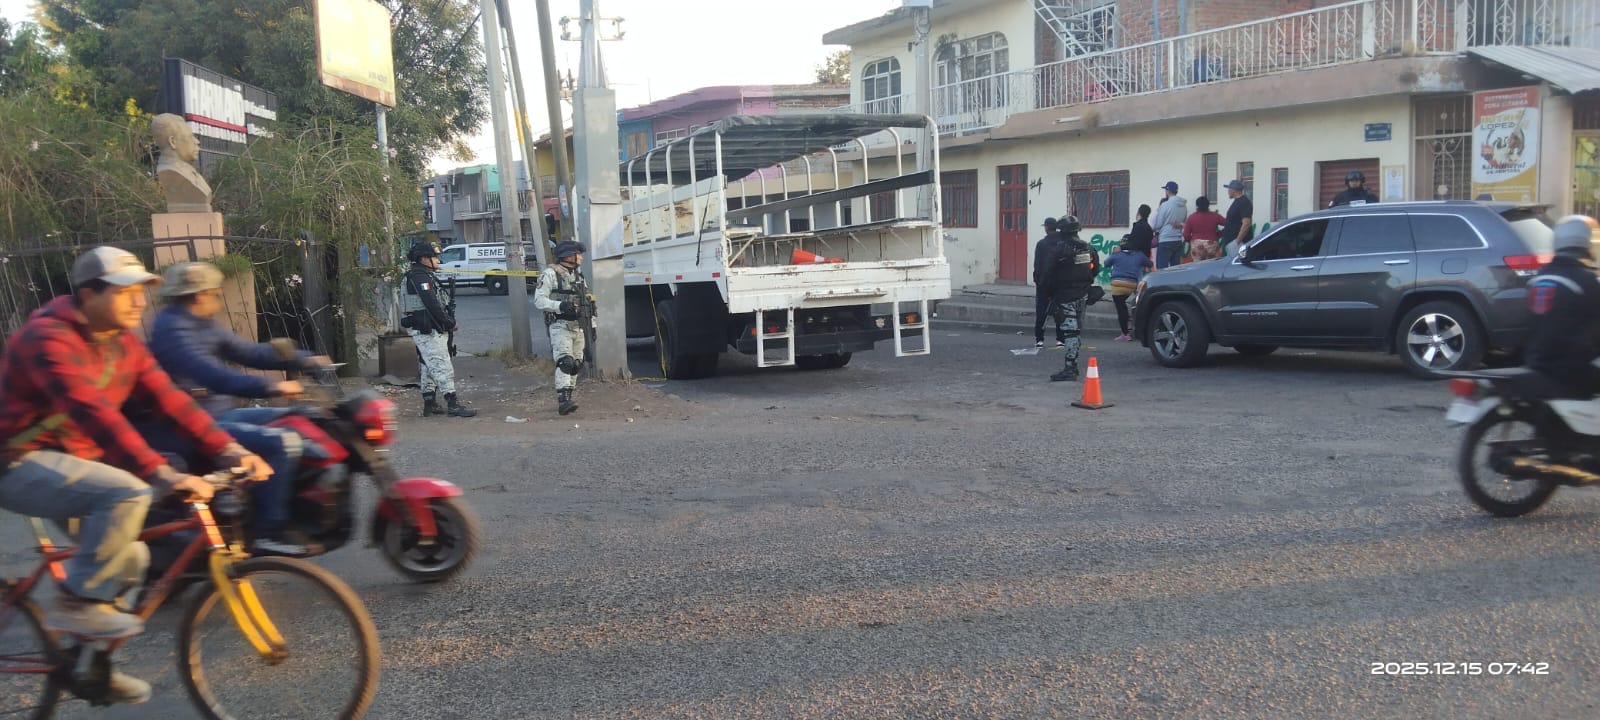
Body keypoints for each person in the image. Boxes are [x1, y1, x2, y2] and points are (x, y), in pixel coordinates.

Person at [0, 247, 268, 704]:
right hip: (17, 461)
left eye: (143, 291)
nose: (139, 301)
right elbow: (94, 413)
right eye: (126, 291)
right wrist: (159, 472)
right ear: (88, 293)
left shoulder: (122, 343)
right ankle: (77, 603)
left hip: (73, 464)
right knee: (125, 493)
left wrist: (230, 448)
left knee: (134, 560)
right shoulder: (47, 339)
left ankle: (92, 669)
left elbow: (174, 401)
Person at [148, 261, 331, 556]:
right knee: (282, 444)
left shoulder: (201, 323)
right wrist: (269, 387)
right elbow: (212, 375)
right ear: (199, 295)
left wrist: (303, 359)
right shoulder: (173, 330)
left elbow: (247, 352)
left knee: (298, 419)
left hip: (221, 414)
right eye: (216, 294)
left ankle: (291, 504)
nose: (218, 299)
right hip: (195, 424)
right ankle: (267, 530)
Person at [1523, 215, 1600, 396]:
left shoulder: (1539, 279)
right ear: (1585, 245)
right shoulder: (1585, 280)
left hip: (1534, 361)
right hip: (1571, 368)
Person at [403, 240, 477, 418]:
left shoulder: (422, 275)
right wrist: (448, 322)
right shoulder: (419, 277)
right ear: (423, 259)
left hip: (426, 327)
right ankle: (453, 404)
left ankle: (430, 403)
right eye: (434, 257)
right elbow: (431, 303)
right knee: (442, 364)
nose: (437, 261)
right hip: (426, 328)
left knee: (428, 365)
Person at [1036, 216, 1101, 382]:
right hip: (1082, 294)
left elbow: (1046, 274)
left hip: (1065, 296)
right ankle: (1073, 365)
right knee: (1076, 331)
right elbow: (1095, 270)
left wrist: (1048, 291)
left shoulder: (1059, 249)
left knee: (1070, 332)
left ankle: (1070, 368)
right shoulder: (1089, 248)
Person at [534, 241, 593, 415]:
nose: (581, 257)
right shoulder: (550, 274)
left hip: (579, 325)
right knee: (565, 361)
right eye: (578, 254)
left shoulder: (579, 276)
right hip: (560, 324)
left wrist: (592, 325)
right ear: (568, 255)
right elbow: (539, 300)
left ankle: (569, 396)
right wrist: (560, 305)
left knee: (576, 364)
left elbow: (587, 303)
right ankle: (563, 400)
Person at [1103, 237, 1153, 341]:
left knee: (1121, 308)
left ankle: (1125, 334)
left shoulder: (1117, 254)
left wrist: (1114, 254)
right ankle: (1130, 324)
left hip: (1118, 284)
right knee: (1127, 305)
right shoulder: (1139, 254)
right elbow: (1150, 264)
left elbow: (1106, 263)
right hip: (1132, 284)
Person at [1031, 217, 1067, 348]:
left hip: (1044, 283)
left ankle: (1039, 339)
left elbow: (1037, 265)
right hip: (1060, 283)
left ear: (1046, 227)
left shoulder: (1041, 244)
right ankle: (1061, 339)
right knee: (1060, 310)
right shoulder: (1063, 242)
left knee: (1041, 310)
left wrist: (1038, 281)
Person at [1151, 181, 1188, 269]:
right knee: (1175, 269)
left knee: (1162, 269)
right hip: (1178, 239)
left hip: (1165, 239)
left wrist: (1153, 229)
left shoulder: (1165, 205)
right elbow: (1184, 222)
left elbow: (1158, 225)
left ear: (1167, 191)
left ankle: (1162, 283)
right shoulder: (1184, 206)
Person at [1182, 196, 1226, 262]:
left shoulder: (1192, 217)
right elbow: (1229, 224)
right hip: (1212, 243)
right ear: (1208, 205)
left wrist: (1191, 240)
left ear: (1197, 206)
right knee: (1212, 265)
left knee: (1197, 267)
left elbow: (1186, 234)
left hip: (1196, 244)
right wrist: (1219, 234)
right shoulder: (1215, 216)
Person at [1221, 180, 1255, 255]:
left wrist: (1237, 242)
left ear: (1234, 190)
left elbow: (1246, 223)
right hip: (1233, 242)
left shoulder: (1244, 202)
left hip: (1239, 244)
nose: (1228, 191)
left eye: (1229, 189)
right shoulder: (1237, 202)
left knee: (1239, 264)